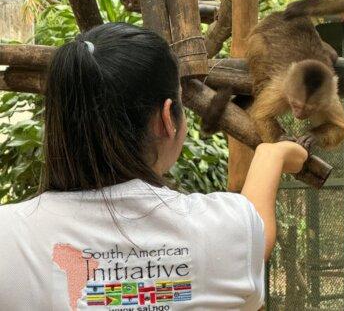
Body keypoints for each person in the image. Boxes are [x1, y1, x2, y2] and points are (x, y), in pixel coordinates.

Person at [0, 23, 308, 311]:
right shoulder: (225, 230)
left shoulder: (9, 235)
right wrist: (273, 155)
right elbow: (257, 228)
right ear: (166, 118)